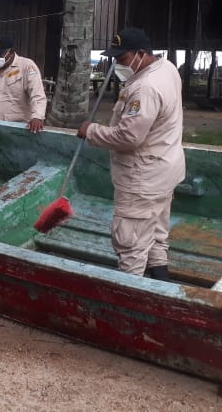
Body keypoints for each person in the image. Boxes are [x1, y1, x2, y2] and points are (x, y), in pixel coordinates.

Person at [76, 28, 184, 281]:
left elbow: (129, 137)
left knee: (131, 244)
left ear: (141, 54)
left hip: (142, 178)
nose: (116, 64)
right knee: (156, 235)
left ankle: (128, 299)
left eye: (121, 58)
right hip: (164, 170)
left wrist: (91, 130)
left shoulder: (145, 87)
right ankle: (161, 288)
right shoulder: (166, 69)